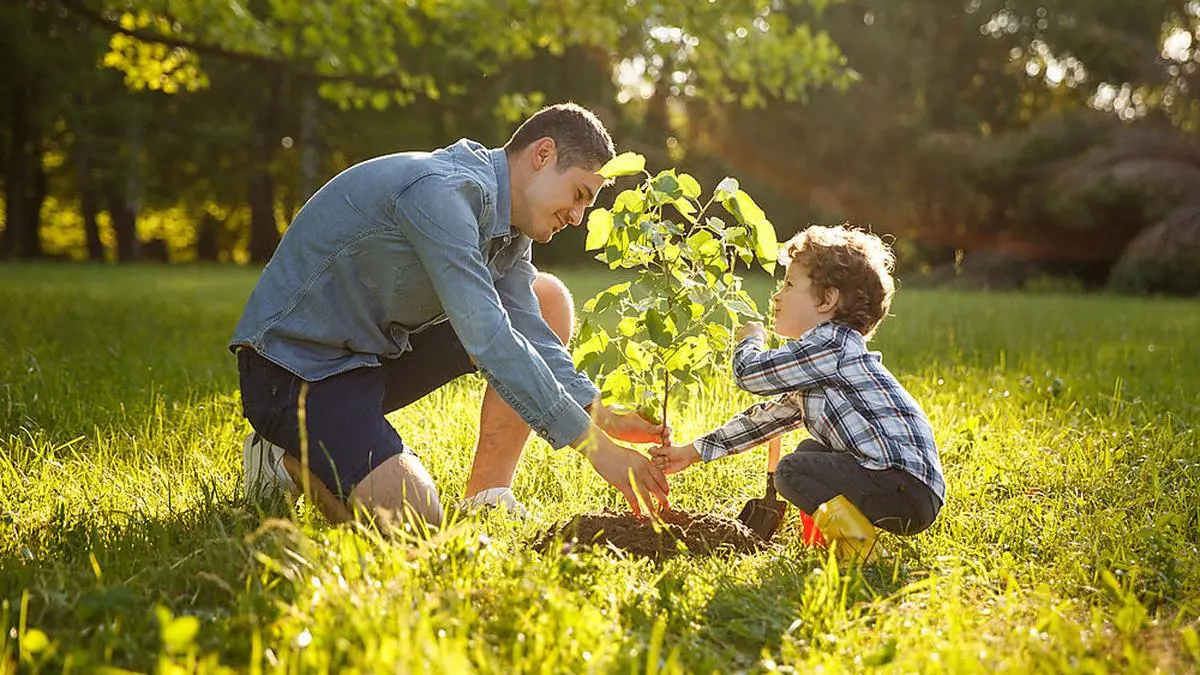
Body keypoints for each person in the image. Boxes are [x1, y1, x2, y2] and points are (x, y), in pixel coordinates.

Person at [230, 103, 670, 528]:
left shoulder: (510, 228)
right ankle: (281, 460)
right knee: (415, 521)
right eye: (579, 195)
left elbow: (529, 329)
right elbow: (490, 338)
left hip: (369, 357)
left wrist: (599, 413)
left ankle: (487, 497)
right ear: (543, 154)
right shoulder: (442, 193)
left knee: (546, 298)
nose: (577, 217)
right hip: (293, 372)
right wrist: (597, 449)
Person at [650, 225, 945, 560]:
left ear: (827, 300)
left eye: (789, 285)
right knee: (809, 451)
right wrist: (692, 452)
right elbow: (766, 421)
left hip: (901, 485)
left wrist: (750, 341)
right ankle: (832, 544)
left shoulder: (830, 345)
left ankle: (862, 553)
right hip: (909, 488)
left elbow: (750, 374)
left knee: (792, 470)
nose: (776, 296)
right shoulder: (826, 362)